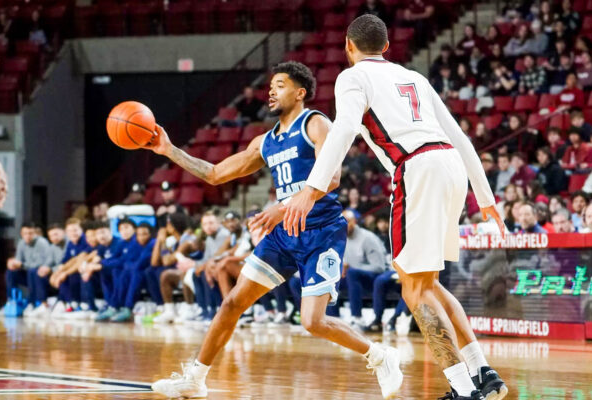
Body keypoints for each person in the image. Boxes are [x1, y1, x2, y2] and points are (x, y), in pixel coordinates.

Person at [283, 15, 506, 400]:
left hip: (416, 168)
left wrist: (312, 188)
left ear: (348, 47)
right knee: (428, 283)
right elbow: (462, 138)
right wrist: (486, 199)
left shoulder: (352, 77)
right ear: (386, 47)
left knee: (413, 290)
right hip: (451, 165)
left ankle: (463, 389)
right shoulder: (415, 77)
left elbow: (345, 129)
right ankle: (483, 374)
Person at [145, 60, 399, 399]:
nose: (271, 91)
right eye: (270, 86)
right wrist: (169, 150)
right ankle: (195, 378)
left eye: (279, 85)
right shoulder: (266, 142)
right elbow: (215, 174)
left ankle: (380, 355)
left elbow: (333, 177)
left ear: (300, 92)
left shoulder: (316, 123)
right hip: (285, 235)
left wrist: (282, 207)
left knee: (312, 321)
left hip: (321, 231)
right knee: (232, 303)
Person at [341, 210, 389, 327]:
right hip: (353, 279)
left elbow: (380, 267)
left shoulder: (368, 238)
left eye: (347, 222)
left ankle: (357, 317)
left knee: (352, 273)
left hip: (375, 279)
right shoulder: (340, 238)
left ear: (354, 222)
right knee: (327, 279)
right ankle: (332, 318)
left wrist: (350, 267)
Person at [110, 223, 156, 322]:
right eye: (139, 234)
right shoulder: (134, 243)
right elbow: (126, 261)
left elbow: (141, 262)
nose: (141, 237)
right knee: (121, 273)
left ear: (150, 234)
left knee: (134, 274)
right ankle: (116, 306)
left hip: (149, 274)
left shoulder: (152, 243)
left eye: (144, 234)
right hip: (136, 271)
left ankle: (128, 307)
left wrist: (129, 266)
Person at [6, 221, 52, 316]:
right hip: (27, 274)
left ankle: (34, 302)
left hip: (41, 275)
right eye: (25, 233)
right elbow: (19, 260)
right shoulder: (21, 243)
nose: (28, 236)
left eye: (30, 233)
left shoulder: (42, 243)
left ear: (34, 233)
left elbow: (40, 264)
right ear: (21, 234)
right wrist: (13, 264)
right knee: (11, 272)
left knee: (33, 271)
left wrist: (22, 265)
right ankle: (11, 301)